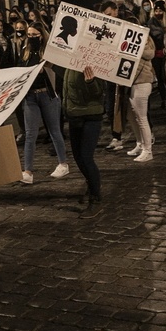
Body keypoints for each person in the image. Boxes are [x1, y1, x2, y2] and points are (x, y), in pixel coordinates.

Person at [17, 22, 69, 184]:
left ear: (42, 36)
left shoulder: (48, 52)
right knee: (30, 134)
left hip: (47, 95)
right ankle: (28, 171)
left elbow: (58, 69)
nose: (32, 38)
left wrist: (45, 67)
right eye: (29, 35)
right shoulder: (24, 52)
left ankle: (63, 163)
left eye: (35, 35)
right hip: (30, 97)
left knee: (54, 131)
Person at [63, 65, 105, 218]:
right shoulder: (70, 62)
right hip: (74, 115)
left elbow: (99, 92)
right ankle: (91, 184)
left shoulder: (94, 61)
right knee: (78, 157)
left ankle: (96, 199)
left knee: (86, 157)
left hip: (91, 116)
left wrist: (91, 82)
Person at [126, 27, 156, 162]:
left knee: (142, 118)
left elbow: (149, 54)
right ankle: (141, 144)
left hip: (142, 82)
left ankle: (148, 150)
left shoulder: (143, 44)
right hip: (134, 83)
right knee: (136, 117)